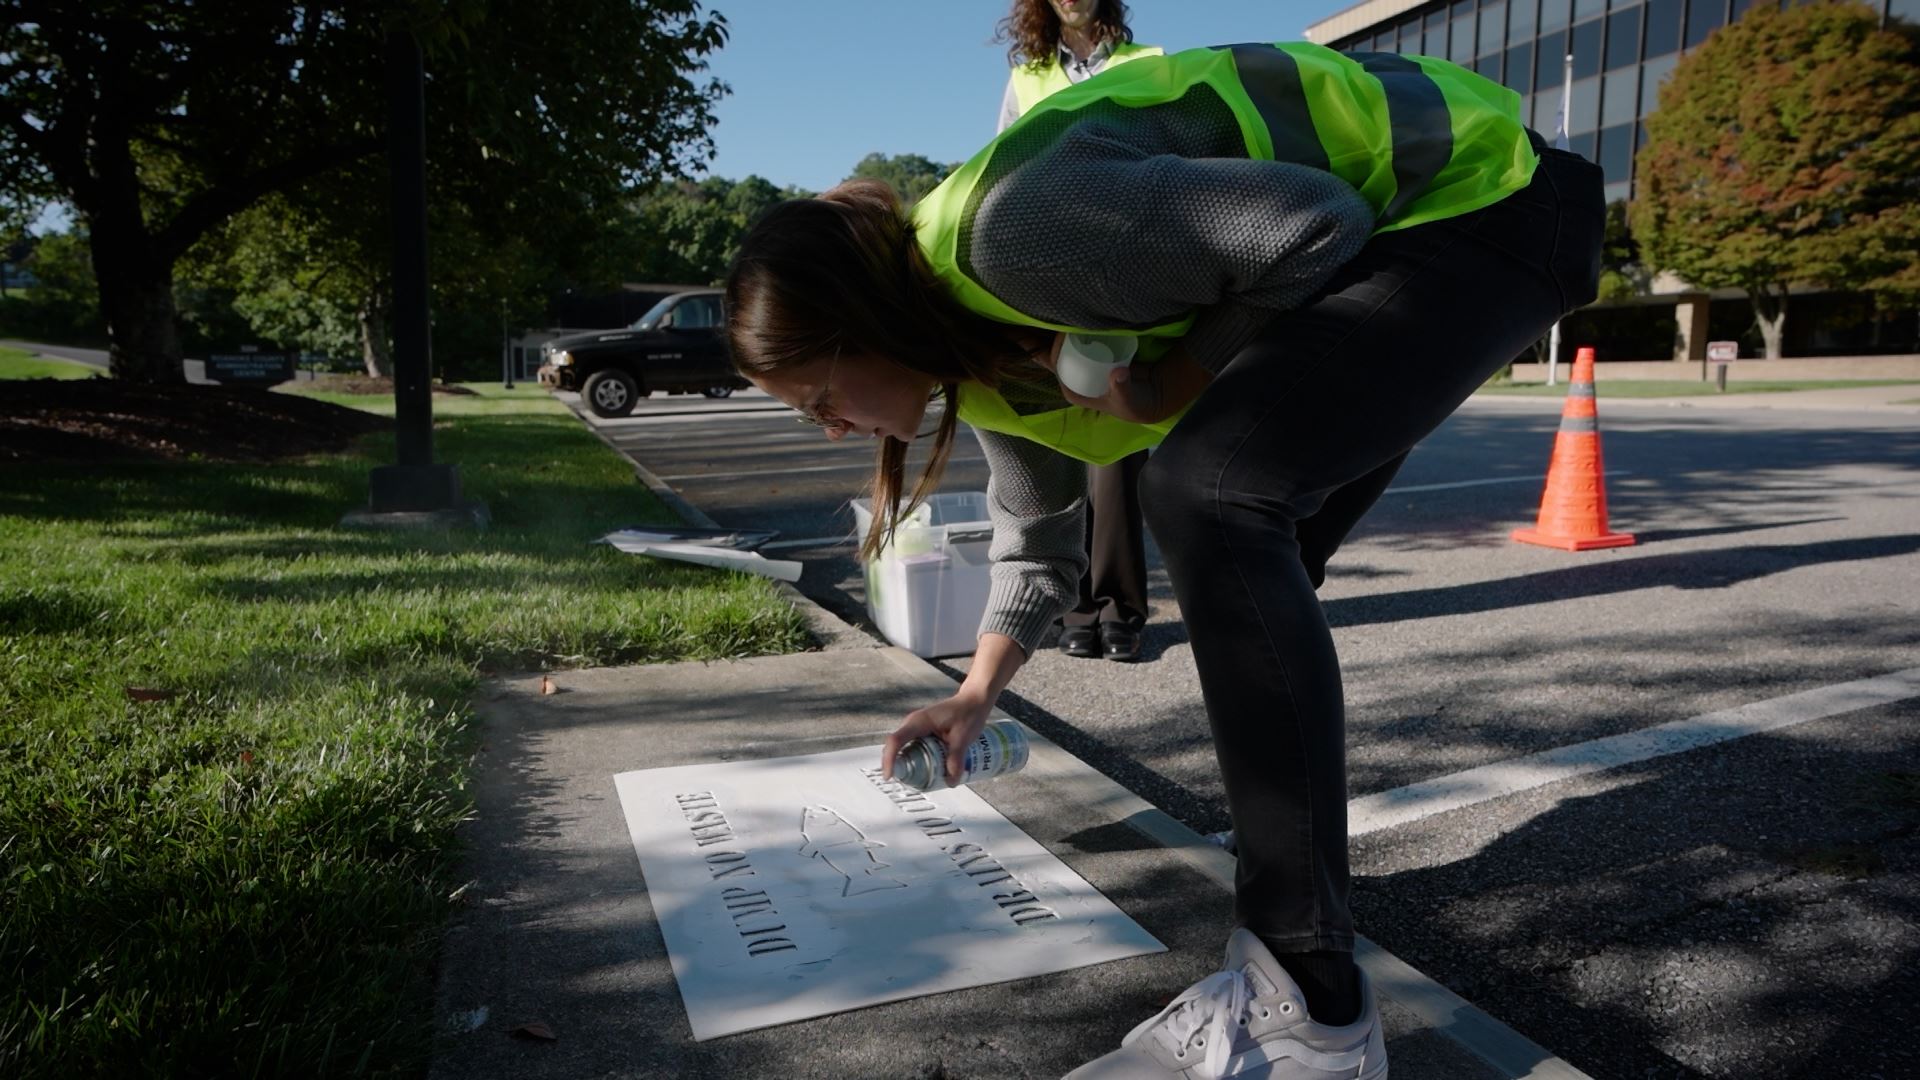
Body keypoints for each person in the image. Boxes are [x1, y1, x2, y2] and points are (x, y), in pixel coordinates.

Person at [727, 39, 1602, 1080]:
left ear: (864, 323)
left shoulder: (1014, 239)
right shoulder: (977, 350)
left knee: (1207, 490)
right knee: (1256, 561)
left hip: (1488, 204)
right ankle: (1289, 948)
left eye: (821, 399)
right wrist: (974, 694)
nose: (830, 429)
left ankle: (1310, 1004)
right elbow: (1035, 540)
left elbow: (1317, 224)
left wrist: (1171, 384)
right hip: (1434, 237)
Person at [996, 0, 1160, 662]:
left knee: (1117, 443)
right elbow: (1002, 169)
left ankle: (1122, 608)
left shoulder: (1147, 65)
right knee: (1063, 433)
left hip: (1124, 263)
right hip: (1048, 270)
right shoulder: (1026, 79)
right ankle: (1076, 609)